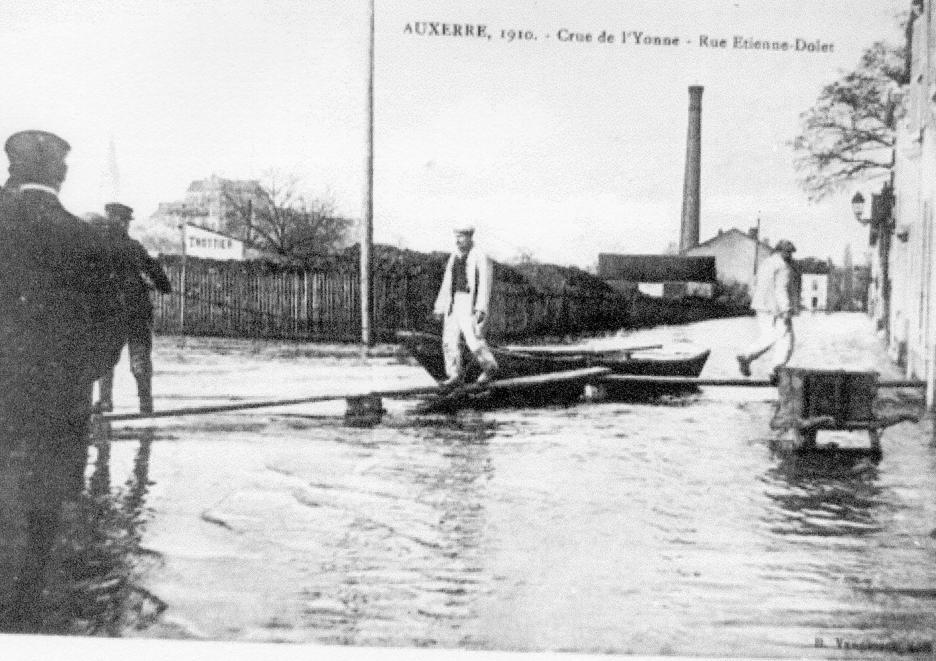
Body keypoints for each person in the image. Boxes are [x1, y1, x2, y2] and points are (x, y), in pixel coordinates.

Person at [0, 130, 126, 466]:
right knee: (54, 505)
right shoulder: (85, 238)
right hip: (63, 406)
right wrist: (80, 376)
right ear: (62, 174)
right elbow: (113, 325)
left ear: (13, 168)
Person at [91, 203, 172, 414]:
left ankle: (105, 401)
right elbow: (159, 277)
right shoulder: (134, 247)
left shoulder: (99, 247)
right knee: (140, 358)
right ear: (123, 222)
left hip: (112, 312)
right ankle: (146, 404)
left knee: (105, 357)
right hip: (138, 310)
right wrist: (161, 286)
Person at [433, 224, 499, 386]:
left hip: (468, 302)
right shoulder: (454, 256)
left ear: (470, 237)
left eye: (461, 237)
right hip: (453, 301)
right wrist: (440, 307)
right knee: (449, 340)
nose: (458, 241)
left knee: (473, 339)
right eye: (456, 237)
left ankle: (490, 368)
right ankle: (454, 374)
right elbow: (447, 282)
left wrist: (481, 307)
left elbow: (484, 283)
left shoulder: (480, 256)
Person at [736, 239, 798, 381]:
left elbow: (755, 282)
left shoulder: (766, 263)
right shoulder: (783, 267)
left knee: (769, 336)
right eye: (789, 252)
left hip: (761, 305)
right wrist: (786, 309)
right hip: (776, 308)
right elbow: (781, 289)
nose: (791, 256)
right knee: (786, 338)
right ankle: (776, 368)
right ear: (782, 252)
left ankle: (747, 356)